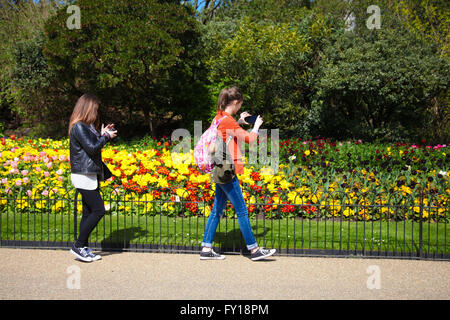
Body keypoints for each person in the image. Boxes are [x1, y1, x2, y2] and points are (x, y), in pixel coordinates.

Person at [200, 87, 276, 261]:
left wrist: (240, 122)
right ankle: (254, 250)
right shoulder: (228, 121)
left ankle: (206, 248)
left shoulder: (219, 117)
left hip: (219, 169)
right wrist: (256, 126)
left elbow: (227, 131)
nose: (239, 107)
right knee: (241, 210)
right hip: (227, 171)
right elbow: (250, 139)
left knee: (217, 210)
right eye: (239, 104)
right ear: (235, 103)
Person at [68, 93, 117, 262]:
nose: (97, 113)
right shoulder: (79, 127)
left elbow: (92, 145)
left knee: (88, 213)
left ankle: (83, 248)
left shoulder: (87, 127)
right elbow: (92, 148)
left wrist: (102, 134)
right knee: (98, 210)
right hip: (83, 175)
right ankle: (78, 245)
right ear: (88, 109)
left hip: (89, 174)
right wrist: (105, 137)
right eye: (95, 109)